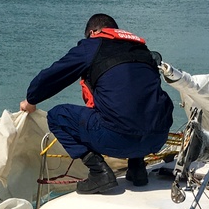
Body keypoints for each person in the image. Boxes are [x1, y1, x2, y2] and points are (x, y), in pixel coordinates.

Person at [20, 14, 174, 194]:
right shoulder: (142, 50)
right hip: (157, 139)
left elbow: (53, 75)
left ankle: (99, 172)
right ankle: (137, 168)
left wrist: (31, 99)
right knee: (134, 104)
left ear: (93, 32)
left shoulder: (93, 45)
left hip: (117, 139)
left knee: (57, 116)